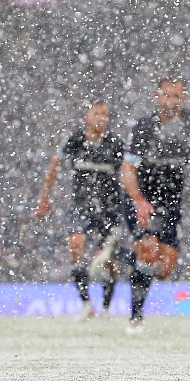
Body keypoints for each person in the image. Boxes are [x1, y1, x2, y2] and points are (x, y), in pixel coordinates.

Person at [121, 76, 190, 333]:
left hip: (170, 199)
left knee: (164, 269)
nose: (171, 101)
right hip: (142, 196)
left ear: (182, 99)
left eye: (176, 96)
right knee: (148, 250)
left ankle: (124, 254)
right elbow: (127, 169)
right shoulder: (144, 128)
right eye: (167, 95)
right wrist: (139, 201)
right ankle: (136, 317)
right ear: (157, 97)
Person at [35, 101, 125, 320]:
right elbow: (55, 164)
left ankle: (105, 308)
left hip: (109, 208)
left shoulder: (115, 143)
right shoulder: (75, 140)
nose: (101, 119)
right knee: (75, 246)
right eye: (96, 114)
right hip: (82, 205)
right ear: (87, 117)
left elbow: (128, 171)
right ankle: (86, 304)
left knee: (110, 262)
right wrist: (44, 197)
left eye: (105, 115)